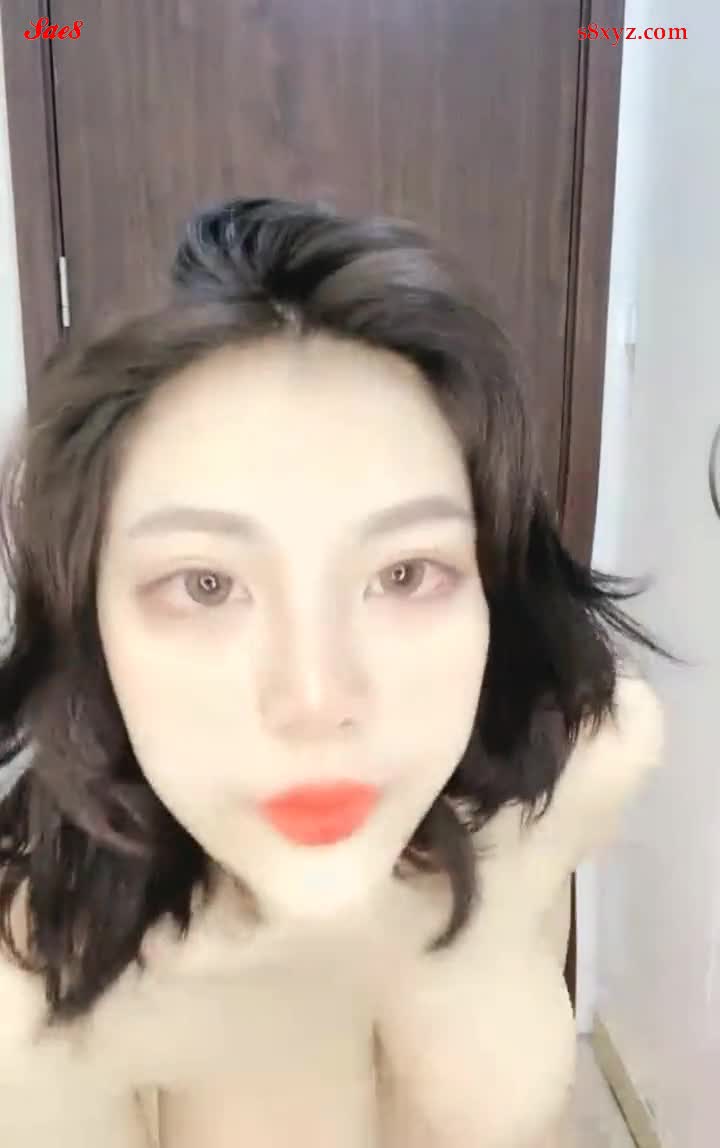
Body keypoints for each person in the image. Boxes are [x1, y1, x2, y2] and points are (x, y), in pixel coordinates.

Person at [0, 197, 666, 1146]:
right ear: (90, 625)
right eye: (206, 585)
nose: (316, 701)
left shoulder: (567, 780)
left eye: (404, 574)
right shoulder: (39, 1007)